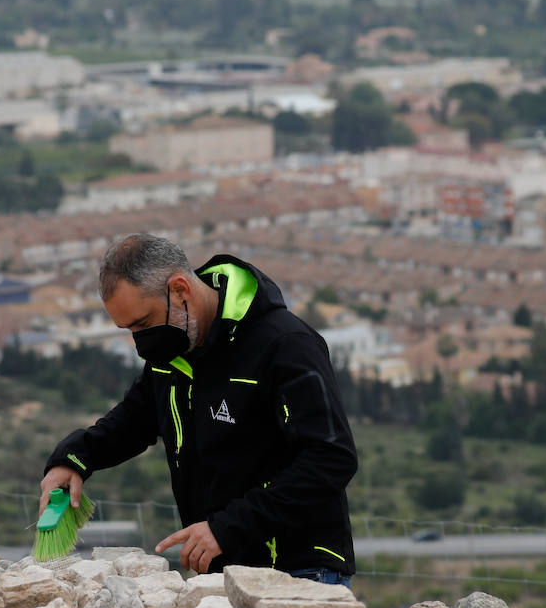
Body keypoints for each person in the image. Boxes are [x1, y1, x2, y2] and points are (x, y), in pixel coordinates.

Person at [39, 233, 358, 585]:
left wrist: (227, 527)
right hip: (221, 572)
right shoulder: (175, 348)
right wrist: (75, 457)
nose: (140, 343)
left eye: (143, 324)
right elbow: (137, 417)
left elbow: (330, 458)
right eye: (128, 329)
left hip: (300, 570)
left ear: (180, 290)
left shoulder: (284, 344)